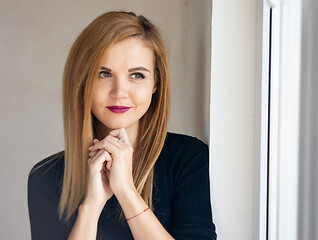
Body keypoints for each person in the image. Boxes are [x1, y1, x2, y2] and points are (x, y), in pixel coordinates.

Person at [27, 11, 216, 240]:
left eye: (137, 75)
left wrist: (126, 191)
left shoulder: (187, 158)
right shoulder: (45, 176)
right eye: (104, 73)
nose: (119, 93)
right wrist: (91, 207)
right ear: (82, 80)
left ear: (156, 83)